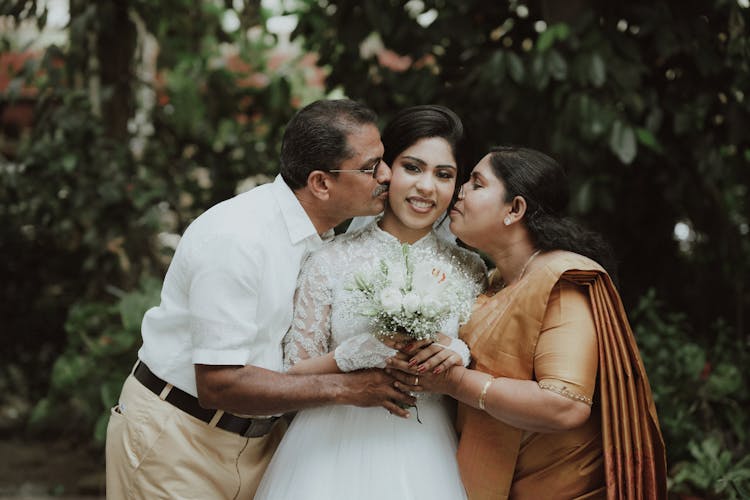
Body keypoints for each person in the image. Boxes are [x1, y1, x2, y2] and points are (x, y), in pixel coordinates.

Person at [104, 99, 418, 499]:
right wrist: (349, 389)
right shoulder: (238, 238)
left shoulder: (324, 239)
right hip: (178, 436)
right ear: (321, 183)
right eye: (370, 167)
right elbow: (219, 382)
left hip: (261, 445)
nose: (387, 175)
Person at [388, 146, 668, 499]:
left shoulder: (560, 281)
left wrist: (454, 381)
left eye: (476, 183)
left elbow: (565, 405)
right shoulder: (495, 282)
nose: (458, 191)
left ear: (515, 209)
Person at [254, 105, 487, 500]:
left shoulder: (471, 269)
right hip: (328, 450)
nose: (426, 187)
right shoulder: (329, 260)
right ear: (386, 171)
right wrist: (351, 354)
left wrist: (458, 353)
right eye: (412, 168)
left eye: (443, 175)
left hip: (428, 447)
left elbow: (489, 364)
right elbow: (290, 374)